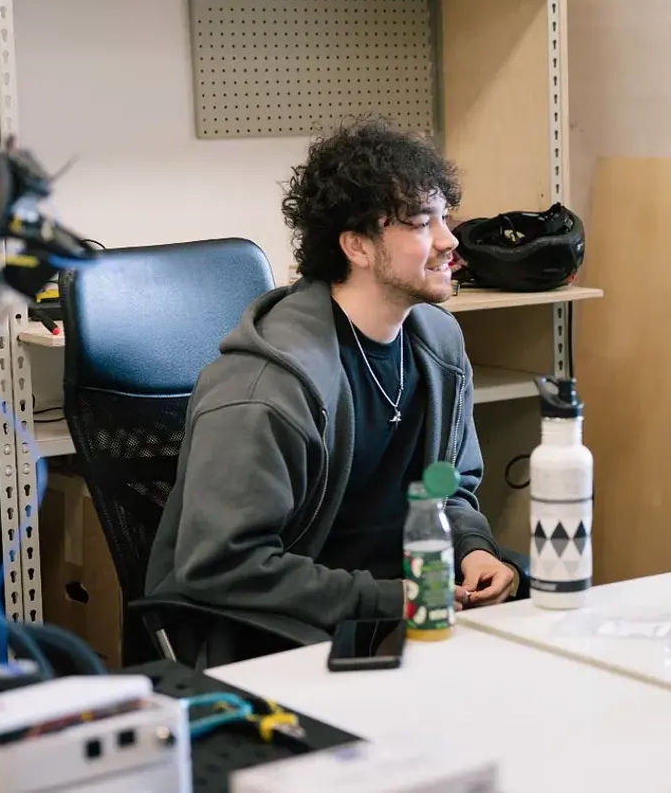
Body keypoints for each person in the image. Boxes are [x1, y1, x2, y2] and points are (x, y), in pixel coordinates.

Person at [146, 120, 519, 657]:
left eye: (445, 217)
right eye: (421, 223)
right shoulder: (265, 386)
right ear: (357, 246)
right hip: (283, 639)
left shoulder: (438, 344)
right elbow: (222, 564)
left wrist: (473, 549)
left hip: (403, 610)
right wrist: (389, 598)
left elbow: (448, 487)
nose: (449, 241)